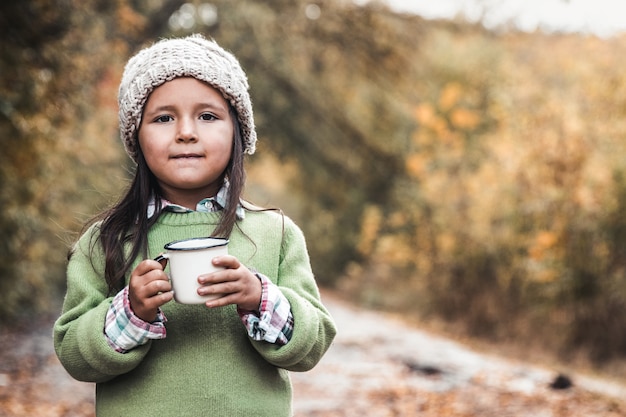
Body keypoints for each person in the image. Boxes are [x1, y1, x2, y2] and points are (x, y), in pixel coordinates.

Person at [53, 34, 337, 416]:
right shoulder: (105, 241)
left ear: (237, 132)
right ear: (136, 135)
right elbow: (73, 353)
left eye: (207, 116)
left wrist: (258, 297)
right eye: (164, 118)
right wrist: (131, 311)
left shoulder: (276, 233)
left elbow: (313, 344)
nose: (186, 132)